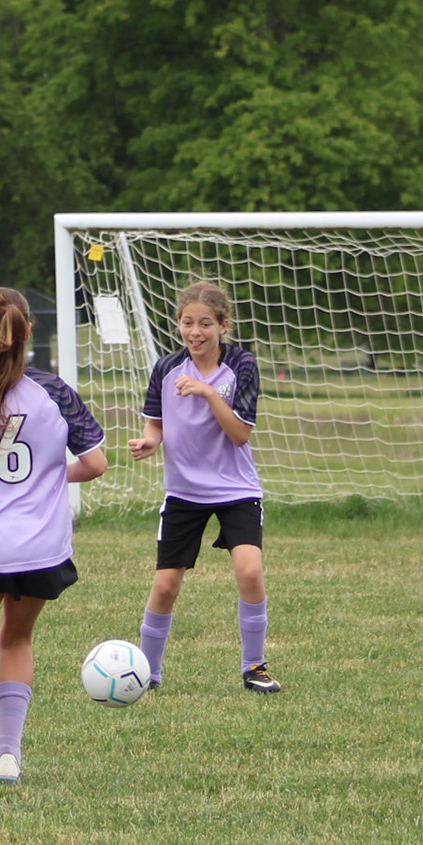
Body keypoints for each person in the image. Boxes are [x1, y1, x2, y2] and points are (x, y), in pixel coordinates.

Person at [0, 288, 107, 785]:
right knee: (17, 638)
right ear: (29, 330)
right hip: (43, 549)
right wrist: (48, 478)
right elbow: (95, 464)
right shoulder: (55, 392)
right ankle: (7, 756)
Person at [129, 281, 278, 694]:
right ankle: (148, 674)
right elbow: (156, 424)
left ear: (223, 326)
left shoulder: (241, 366)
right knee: (165, 585)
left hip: (236, 489)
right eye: (188, 322)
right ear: (178, 323)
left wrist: (208, 393)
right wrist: (150, 442)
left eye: (206, 324)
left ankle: (254, 666)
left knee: (250, 571)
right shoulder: (166, 368)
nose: (196, 332)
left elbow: (240, 435)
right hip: (183, 493)